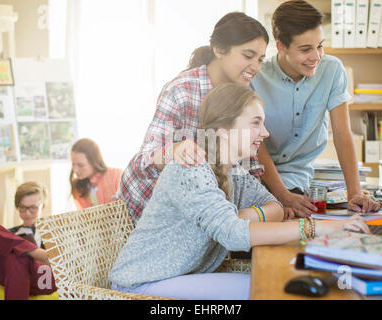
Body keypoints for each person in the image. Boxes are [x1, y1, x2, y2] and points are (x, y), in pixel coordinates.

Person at [109, 83, 370, 300]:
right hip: (140, 285)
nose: (265, 133)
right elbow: (234, 236)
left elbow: (275, 207)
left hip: (181, 277)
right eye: (256, 123)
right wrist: (315, 227)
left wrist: (241, 216)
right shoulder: (191, 169)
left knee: (277, 281)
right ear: (223, 129)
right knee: (269, 290)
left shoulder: (234, 172)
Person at [115, 12, 269, 223]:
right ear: (219, 49)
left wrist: (267, 205)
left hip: (194, 209)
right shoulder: (181, 90)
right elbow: (146, 159)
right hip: (148, 206)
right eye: (248, 56)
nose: (256, 67)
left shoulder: (244, 95)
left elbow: (246, 165)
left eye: (260, 59)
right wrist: (175, 150)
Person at [250, 0, 380, 219]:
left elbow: (342, 133)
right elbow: (255, 142)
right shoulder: (257, 75)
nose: (316, 56)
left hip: (295, 177)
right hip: (255, 173)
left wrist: (354, 192)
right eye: (305, 49)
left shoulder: (332, 70)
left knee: (297, 221)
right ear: (281, 46)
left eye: (320, 45)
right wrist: (281, 195)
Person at [0, 182, 57, 300]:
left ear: (42, 206)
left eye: (33, 207)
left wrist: (17, 252)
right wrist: (3, 252)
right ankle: (36, 252)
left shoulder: (52, 233)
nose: (27, 213)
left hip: (42, 277)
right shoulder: (8, 234)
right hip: (11, 274)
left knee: (19, 257)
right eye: (23, 208)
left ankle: (27, 253)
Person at [70, 138, 123, 209]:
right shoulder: (78, 188)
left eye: (81, 165)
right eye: (73, 164)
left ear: (94, 162)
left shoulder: (116, 175)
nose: (75, 170)